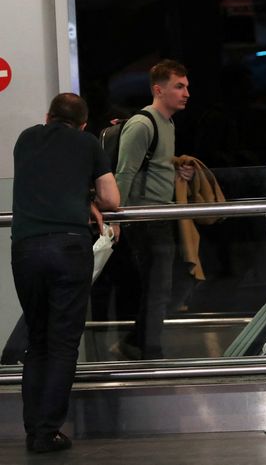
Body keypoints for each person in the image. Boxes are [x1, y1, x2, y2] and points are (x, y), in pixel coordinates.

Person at [11, 93, 120, 453]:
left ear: (47, 117)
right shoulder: (88, 143)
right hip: (69, 247)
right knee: (62, 343)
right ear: (84, 124)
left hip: (25, 248)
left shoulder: (26, 139)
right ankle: (47, 431)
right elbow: (112, 200)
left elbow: (45, 180)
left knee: (37, 341)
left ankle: (32, 428)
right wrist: (89, 197)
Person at [115, 59, 194, 360]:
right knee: (158, 287)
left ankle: (140, 341)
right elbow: (125, 172)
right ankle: (149, 350)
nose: (186, 92)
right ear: (158, 90)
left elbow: (154, 169)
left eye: (186, 86)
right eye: (179, 86)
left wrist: (178, 175)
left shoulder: (168, 123)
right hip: (145, 218)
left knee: (159, 286)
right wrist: (116, 217)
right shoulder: (142, 124)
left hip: (160, 215)